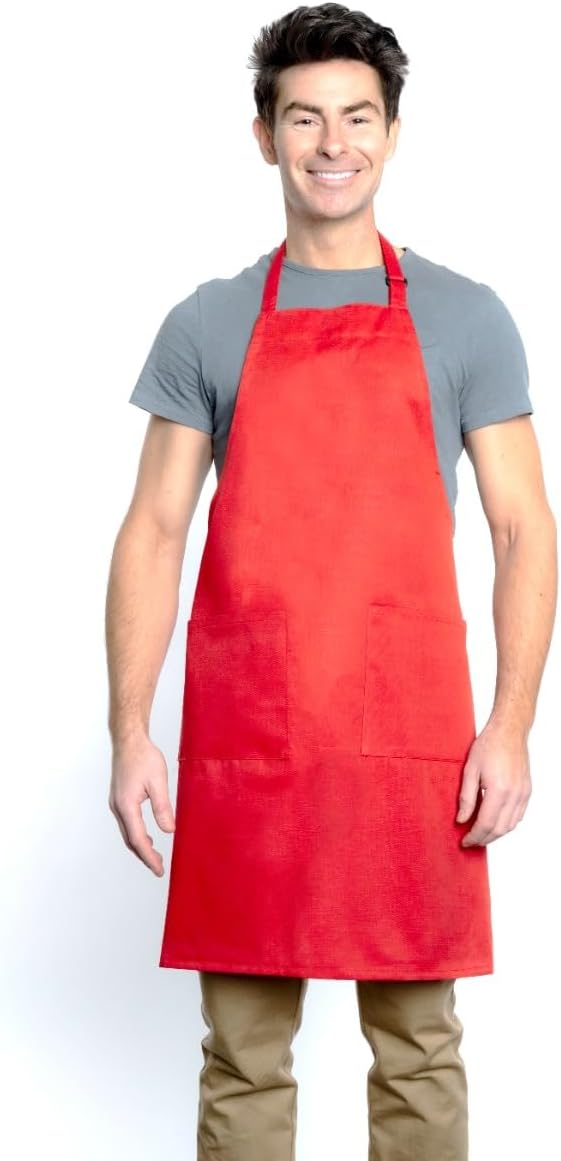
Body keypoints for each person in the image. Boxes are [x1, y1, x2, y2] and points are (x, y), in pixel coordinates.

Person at [105, 5, 557, 1159]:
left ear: (392, 133)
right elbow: (154, 531)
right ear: (264, 135)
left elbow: (522, 528)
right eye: (303, 116)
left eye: (357, 116)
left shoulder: (466, 316)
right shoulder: (207, 323)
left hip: (411, 738)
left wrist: (509, 725)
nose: (331, 142)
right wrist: (129, 732)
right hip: (254, 736)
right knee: (245, 1053)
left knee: (419, 1046)